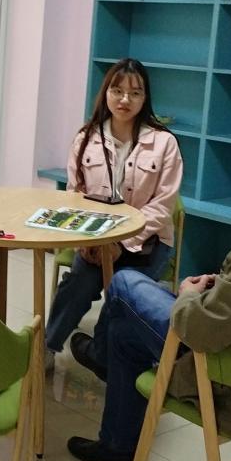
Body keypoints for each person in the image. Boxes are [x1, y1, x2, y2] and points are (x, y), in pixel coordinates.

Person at [67, 107, 231, 461]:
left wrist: (187, 293)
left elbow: (197, 330)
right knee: (124, 331)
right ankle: (116, 448)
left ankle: (100, 359)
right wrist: (227, 286)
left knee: (124, 284)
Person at [45, 58, 182, 368]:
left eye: (135, 93)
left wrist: (122, 242)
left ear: (145, 98)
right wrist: (88, 241)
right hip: (95, 240)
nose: (125, 100)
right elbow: (76, 197)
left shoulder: (164, 143)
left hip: (147, 242)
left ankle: (102, 353)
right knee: (78, 284)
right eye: (117, 91)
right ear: (105, 93)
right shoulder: (86, 138)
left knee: (124, 291)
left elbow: (162, 206)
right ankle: (47, 348)